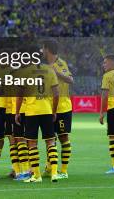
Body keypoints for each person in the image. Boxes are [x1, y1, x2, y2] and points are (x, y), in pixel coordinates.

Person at [15, 63, 59, 183]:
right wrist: (54, 111)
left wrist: (17, 112)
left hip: (31, 112)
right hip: (46, 110)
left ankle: (37, 175)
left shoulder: (24, 72)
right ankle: (54, 174)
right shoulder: (50, 70)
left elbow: (19, 96)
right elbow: (56, 94)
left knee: (32, 143)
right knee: (51, 141)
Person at [42, 40, 73, 180]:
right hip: (48, 107)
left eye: (43, 48)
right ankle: (49, 167)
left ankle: (64, 171)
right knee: (50, 138)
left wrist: (56, 73)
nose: (41, 51)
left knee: (63, 137)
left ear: (47, 49)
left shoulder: (60, 63)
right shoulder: (43, 65)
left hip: (62, 107)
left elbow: (71, 80)